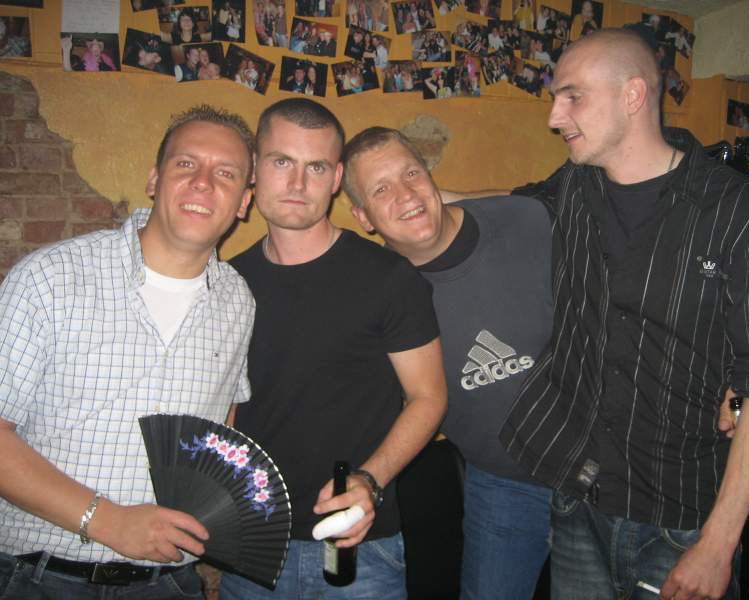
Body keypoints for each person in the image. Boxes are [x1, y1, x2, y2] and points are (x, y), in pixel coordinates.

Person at [499, 28, 749, 600]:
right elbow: (489, 216)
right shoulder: (573, 187)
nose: (554, 117)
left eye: (572, 97)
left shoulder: (744, 212)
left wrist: (719, 544)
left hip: (683, 522)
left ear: (633, 95)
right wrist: (408, 202)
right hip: (578, 498)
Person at [0, 105, 256, 599]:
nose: (203, 182)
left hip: (169, 583)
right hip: (40, 578)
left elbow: (223, 418)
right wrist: (108, 520)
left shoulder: (237, 300)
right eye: (186, 164)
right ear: (155, 179)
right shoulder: (51, 277)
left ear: (244, 201)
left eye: (226, 173)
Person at [218, 98, 447, 600]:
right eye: (282, 162)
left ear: (337, 177)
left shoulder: (389, 278)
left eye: (316, 167)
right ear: (255, 167)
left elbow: (429, 397)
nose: (298, 183)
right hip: (253, 544)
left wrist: (371, 480)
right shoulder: (228, 283)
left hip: (359, 547)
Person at [343, 127, 554, 600]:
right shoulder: (378, 292)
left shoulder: (524, 221)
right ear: (363, 217)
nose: (405, 195)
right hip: (502, 486)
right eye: (381, 190)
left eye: (411, 174)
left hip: (598, 468)